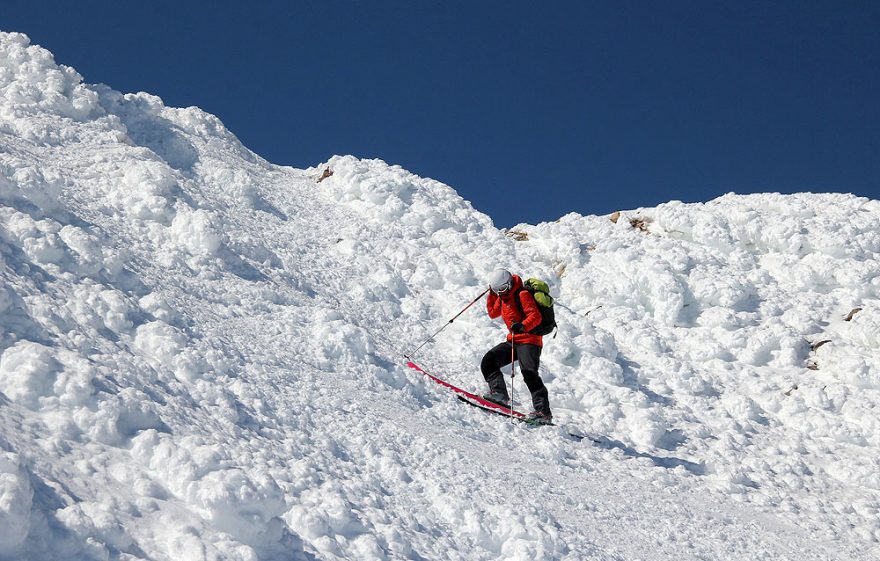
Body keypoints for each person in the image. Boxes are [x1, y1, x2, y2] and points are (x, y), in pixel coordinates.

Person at [481, 268, 553, 423]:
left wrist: (523, 326)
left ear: (509, 283)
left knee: (529, 374)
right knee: (489, 361)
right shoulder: (502, 296)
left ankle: (543, 413)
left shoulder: (522, 294)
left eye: (502, 289)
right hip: (513, 340)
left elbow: (536, 316)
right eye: (497, 290)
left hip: (530, 340)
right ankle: (499, 393)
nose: (500, 293)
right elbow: (493, 313)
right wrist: (491, 294)